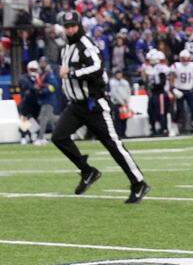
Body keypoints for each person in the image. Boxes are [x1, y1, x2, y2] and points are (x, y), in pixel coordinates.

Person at [50, 11, 148, 203]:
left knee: (113, 145)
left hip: (94, 104)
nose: (70, 30)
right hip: (76, 105)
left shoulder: (86, 44)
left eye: (73, 26)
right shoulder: (66, 48)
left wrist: (72, 73)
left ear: (79, 25)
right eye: (67, 27)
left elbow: (97, 67)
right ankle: (87, 171)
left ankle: (139, 183)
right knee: (58, 137)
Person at [170, 49, 193, 135]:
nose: (184, 60)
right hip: (179, 90)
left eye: (186, 58)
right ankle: (174, 127)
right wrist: (174, 89)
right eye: (183, 58)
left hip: (189, 89)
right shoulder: (176, 66)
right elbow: (171, 79)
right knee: (178, 110)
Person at [142, 49, 169, 136]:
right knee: (150, 111)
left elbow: (162, 82)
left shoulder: (161, 68)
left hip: (160, 93)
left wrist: (154, 86)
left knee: (161, 112)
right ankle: (153, 129)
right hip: (152, 93)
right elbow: (146, 81)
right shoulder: (148, 68)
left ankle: (164, 129)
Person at [17, 60, 42, 144]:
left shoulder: (39, 77)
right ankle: (23, 136)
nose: (33, 71)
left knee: (34, 120)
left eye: (35, 69)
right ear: (28, 69)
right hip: (25, 103)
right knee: (25, 120)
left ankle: (33, 136)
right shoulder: (23, 78)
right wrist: (35, 86)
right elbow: (25, 86)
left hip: (35, 103)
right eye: (32, 69)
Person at [108, 68, 132, 139]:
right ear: (115, 75)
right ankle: (118, 133)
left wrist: (127, 100)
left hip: (125, 103)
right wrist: (121, 102)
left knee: (124, 118)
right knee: (117, 119)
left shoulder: (125, 82)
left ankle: (123, 133)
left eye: (120, 74)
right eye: (118, 74)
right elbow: (114, 93)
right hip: (117, 103)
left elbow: (128, 91)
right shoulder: (112, 82)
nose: (119, 75)